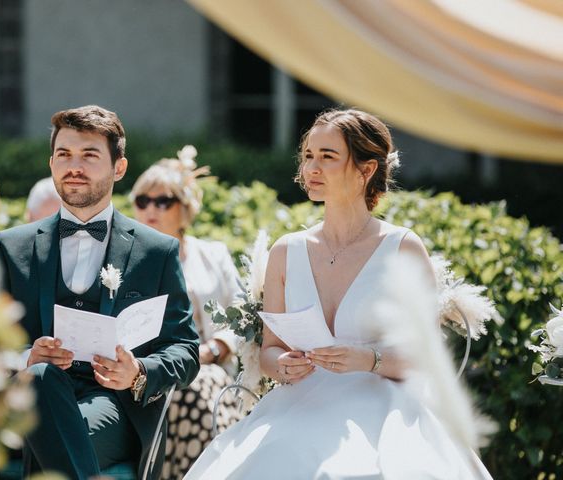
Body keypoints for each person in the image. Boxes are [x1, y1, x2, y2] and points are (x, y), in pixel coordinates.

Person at [185, 109, 493, 479]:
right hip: (298, 405)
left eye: (327, 157)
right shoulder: (286, 251)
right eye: (308, 156)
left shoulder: (403, 249)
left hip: (385, 410)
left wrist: (367, 359)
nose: (311, 168)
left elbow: (426, 358)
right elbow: (270, 350)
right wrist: (282, 364)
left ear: (366, 170)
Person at [0, 105, 200, 479]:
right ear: (51, 163)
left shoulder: (156, 251)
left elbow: (184, 349)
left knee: (56, 435)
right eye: (64, 155)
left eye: (89, 155)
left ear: (119, 168)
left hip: (114, 406)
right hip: (25, 400)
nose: (75, 166)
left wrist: (137, 371)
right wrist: (27, 357)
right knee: (40, 380)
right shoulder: (10, 247)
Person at [131, 146, 242, 479]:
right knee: (181, 387)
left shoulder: (213, 254)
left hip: (210, 364)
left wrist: (212, 350)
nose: (151, 209)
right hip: (151, 369)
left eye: (163, 201)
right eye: (142, 201)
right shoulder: (128, 261)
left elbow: (240, 315)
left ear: (185, 207)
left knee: (197, 384)